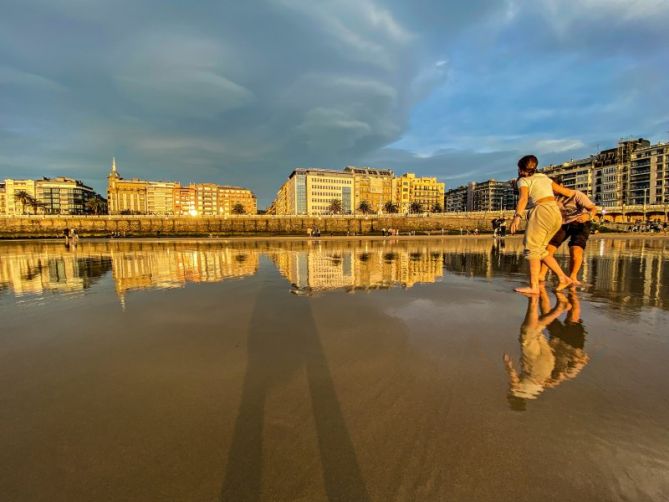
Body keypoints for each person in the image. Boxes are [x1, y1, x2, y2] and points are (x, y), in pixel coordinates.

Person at [510, 154, 574, 295]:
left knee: (532, 249)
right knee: (540, 250)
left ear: (521, 169)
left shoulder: (523, 181)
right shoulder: (544, 178)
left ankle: (534, 287)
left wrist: (517, 217)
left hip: (541, 211)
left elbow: (523, 199)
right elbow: (567, 192)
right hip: (555, 212)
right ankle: (563, 278)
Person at [539, 189, 597, 285]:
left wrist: (588, 215)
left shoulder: (576, 194)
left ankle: (573, 277)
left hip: (581, 223)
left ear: (560, 186)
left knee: (576, 251)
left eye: (553, 188)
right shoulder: (552, 198)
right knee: (548, 249)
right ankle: (541, 274)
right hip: (563, 224)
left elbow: (593, 208)